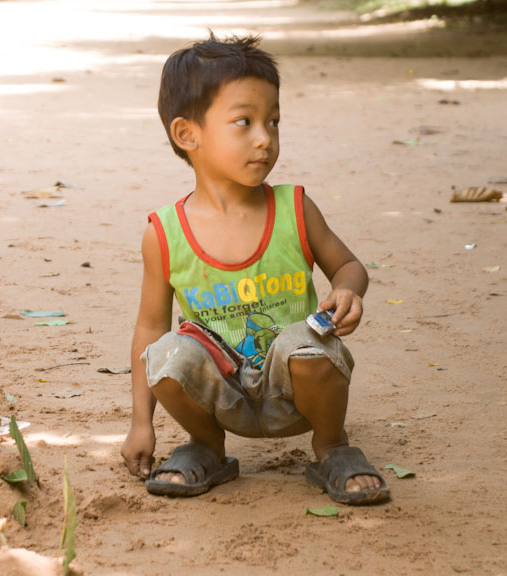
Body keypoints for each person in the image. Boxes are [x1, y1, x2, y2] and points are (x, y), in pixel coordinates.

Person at [119, 34, 390, 505]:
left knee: (303, 343)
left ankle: (332, 446)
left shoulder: (294, 209)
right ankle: (206, 447)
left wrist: (349, 291)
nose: (265, 138)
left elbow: (347, 266)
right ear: (188, 134)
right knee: (166, 354)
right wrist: (141, 423)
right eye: (244, 122)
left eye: (273, 121)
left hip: (299, 387)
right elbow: (148, 328)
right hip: (221, 395)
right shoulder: (165, 232)